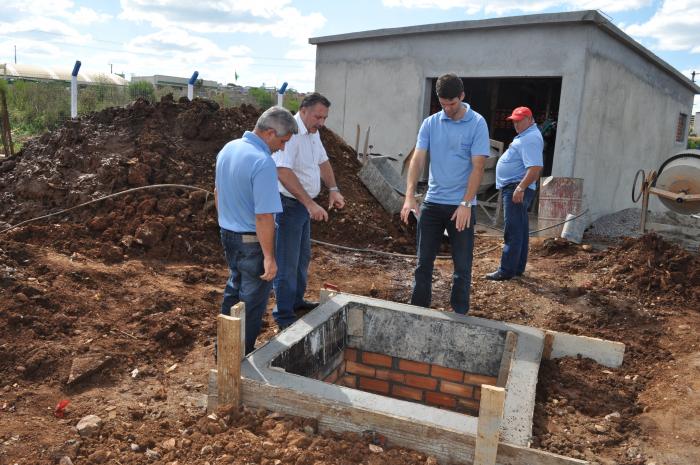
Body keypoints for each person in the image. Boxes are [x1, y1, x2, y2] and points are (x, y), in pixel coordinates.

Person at [400, 74, 489, 315]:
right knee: (423, 263)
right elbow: (418, 159)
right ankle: (418, 310)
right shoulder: (431, 123)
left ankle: (459, 313)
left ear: (462, 96)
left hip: (461, 206)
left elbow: (478, 167)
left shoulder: (477, 123)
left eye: (452, 104)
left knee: (462, 266)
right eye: (443, 104)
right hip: (433, 203)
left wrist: (465, 203)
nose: (447, 109)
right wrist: (410, 195)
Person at [215, 106, 298, 354]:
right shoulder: (262, 163)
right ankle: (239, 359)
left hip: (229, 234)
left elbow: (218, 193)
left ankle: (224, 351)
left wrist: (227, 223)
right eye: (283, 141)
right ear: (270, 133)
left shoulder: (229, 148)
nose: (282, 148)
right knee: (251, 303)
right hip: (252, 242)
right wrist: (270, 258)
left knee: (233, 291)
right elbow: (264, 216)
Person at [271, 92, 345, 329]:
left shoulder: (313, 134)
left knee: (302, 258)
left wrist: (333, 188)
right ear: (303, 110)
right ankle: (283, 315)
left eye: (324, 118)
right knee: (287, 262)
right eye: (317, 117)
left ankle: (296, 302)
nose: (321, 122)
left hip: (301, 208)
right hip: (289, 206)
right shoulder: (290, 134)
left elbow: (323, 161)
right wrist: (310, 203)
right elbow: (282, 171)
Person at [485, 106, 543, 281]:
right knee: (521, 230)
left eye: (519, 121)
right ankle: (517, 268)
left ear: (529, 119)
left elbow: (535, 168)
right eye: (514, 121)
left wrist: (520, 188)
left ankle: (506, 270)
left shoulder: (531, 138)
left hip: (517, 188)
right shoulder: (527, 135)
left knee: (513, 231)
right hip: (516, 187)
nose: (516, 124)